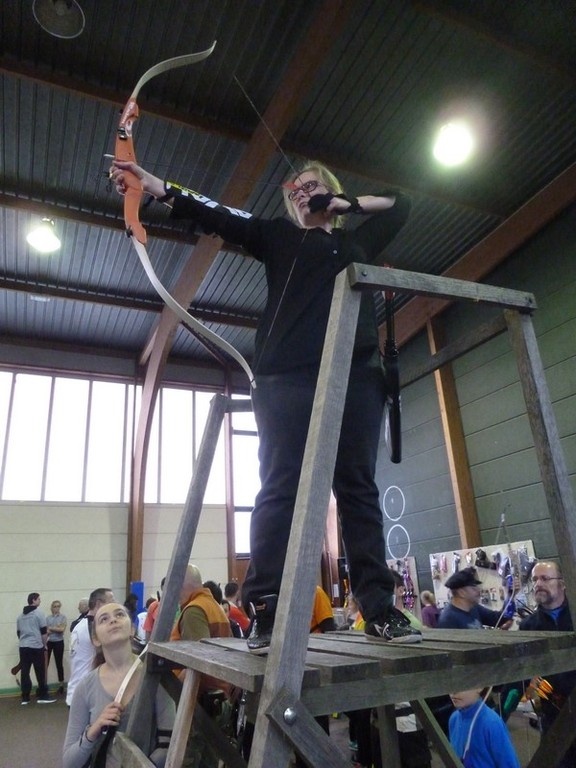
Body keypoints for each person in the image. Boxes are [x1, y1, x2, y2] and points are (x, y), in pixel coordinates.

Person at [111, 158, 419, 651]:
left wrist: (347, 204)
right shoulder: (277, 236)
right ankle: (267, 610)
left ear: (332, 192)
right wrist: (155, 186)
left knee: (358, 488)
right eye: (295, 190)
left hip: (355, 376)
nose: (301, 192)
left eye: (312, 186)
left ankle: (379, 609)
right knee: (280, 487)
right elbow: (218, 215)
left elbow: (402, 204)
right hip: (286, 379)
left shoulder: (356, 243)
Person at [63, 602, 174, 768]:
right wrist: (93, 730)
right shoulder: (85, 688)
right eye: (104, 619)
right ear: (95, 639)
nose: (113, 620)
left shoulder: (156, 678)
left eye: (119, 614)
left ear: (132, 630)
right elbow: (69, 762)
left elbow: (169, 747)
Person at [504, 560, 576, 768]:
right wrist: (501, 714)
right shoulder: (529, 626)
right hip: (553, 714)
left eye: (545, 578)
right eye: (535, 579)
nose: (538, 584)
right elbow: (520, 674)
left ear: (562, 583)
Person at [171, 564, 233, 768]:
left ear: (181, 585)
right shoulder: (214, 606)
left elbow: (197, 663)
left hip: (199, 702)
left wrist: (172, 686)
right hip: (217, 698)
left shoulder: (194, 610)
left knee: (193, 760)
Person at [67, 587, 115, 706]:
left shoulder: (82, 624)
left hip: (79, 690)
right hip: (86, 694)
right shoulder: (93, 626)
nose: (114, 606)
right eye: (111, 602)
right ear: (98, 604)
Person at [448, 688, 520, 768]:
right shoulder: (454, 719)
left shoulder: (492, 723)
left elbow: (509, 764)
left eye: (461, 684)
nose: (453, 692)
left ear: (479, 687)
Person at [438, 567, 512, 630]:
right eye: (473, 588)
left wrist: (511, 594)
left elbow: (498, 618)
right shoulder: (448, 620)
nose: (478, 591)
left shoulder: (473, 608)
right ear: (461, 592)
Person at [16, 592, 55, 705]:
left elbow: (18, 633)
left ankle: (25, 698)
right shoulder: (39, 613)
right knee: (40, 671)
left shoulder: (20, 616)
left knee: (25, 672)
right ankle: (43, 695)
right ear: (33, 600)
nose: (40, 601)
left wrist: (24, 641)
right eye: (38, 599)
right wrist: (44, 644)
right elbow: (43, 631)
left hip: (23, 647)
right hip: (36, 646)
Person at [46, 599, 67, 694]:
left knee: (59, 664)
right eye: (55, 606)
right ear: (51, 608)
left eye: (58, 606)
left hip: (59, 642)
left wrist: (51, 628)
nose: (57, 608)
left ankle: (61, 685)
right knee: (45, 664)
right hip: (49, 642)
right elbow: (46, 631)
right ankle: (43, 684)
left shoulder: (63, 617)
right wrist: (56, 628)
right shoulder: (48, 618)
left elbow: (62, 629)